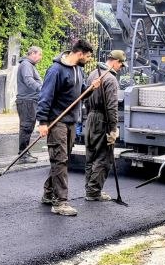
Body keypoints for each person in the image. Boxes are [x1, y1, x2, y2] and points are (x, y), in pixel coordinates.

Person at [36, 38, 99, 217]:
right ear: (79, 54)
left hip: (71, 122)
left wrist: (91, 88)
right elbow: (45, 97)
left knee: (61, 160)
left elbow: (80, 92)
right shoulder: (56, 70)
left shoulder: (78, 69)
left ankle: (49, 193)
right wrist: (42, 122)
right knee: (60, 160)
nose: (89, 60)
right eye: (87, 56)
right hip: (57, 122)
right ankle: (60, 202)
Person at [84, 49, 125, 201]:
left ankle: (89, 188)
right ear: (116, 61)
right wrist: (113, 129)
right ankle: (94, 192)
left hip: (91, 117)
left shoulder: (93, 74)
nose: (121, 68)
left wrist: (90, 116)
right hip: (102, 119)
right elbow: (112, 107)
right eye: (121, 64)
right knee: (103, 157)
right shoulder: (111, 79)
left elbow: (86, 98)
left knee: (91, 155)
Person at [15, 45, 43, 163]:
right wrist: (41, 89)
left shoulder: (29, 65)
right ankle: (23, 155)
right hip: (27, 101)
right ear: (32, 53)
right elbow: (28, 80)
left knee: (28, 127)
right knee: (26, 127)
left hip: (29, 100)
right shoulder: (26, 65)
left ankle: (24, 152)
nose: (40, 57)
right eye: (39, 54)